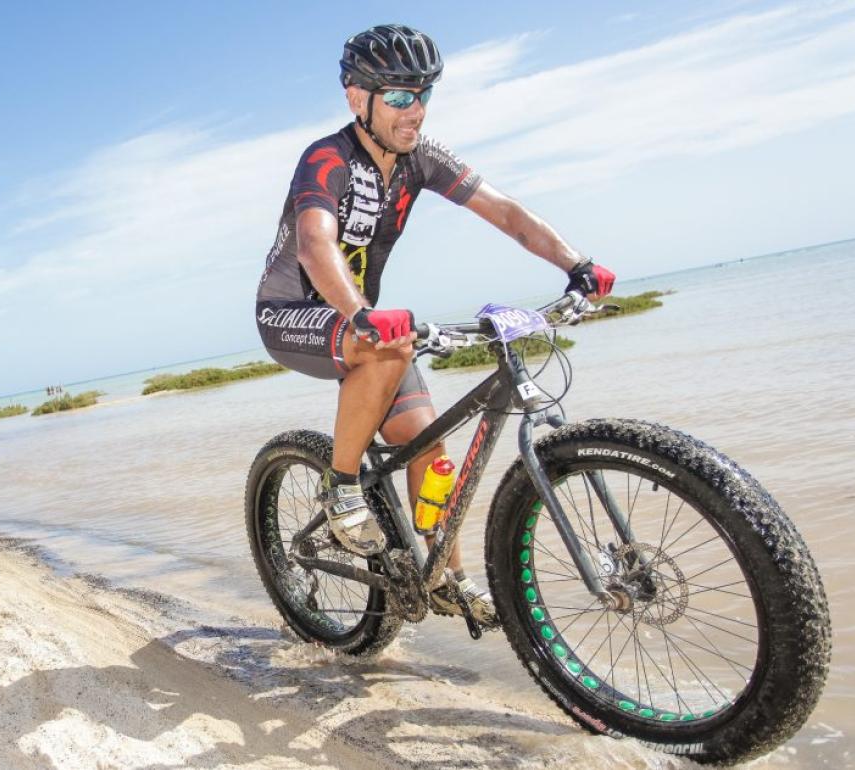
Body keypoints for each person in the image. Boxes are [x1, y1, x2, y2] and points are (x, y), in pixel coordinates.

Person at [254, 24, 615, 620]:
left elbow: (505, 212)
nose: (414, 109)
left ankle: (446, 577)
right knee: (389, 349)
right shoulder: (327, 158)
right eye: (399, 96)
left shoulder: (421, 158)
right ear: (357, 98)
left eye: (423, 94)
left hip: (365, 324)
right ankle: (341, 486)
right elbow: (316, 245)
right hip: (293, 314)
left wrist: (576, 264)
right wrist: (362, 315)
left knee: (427, 443)